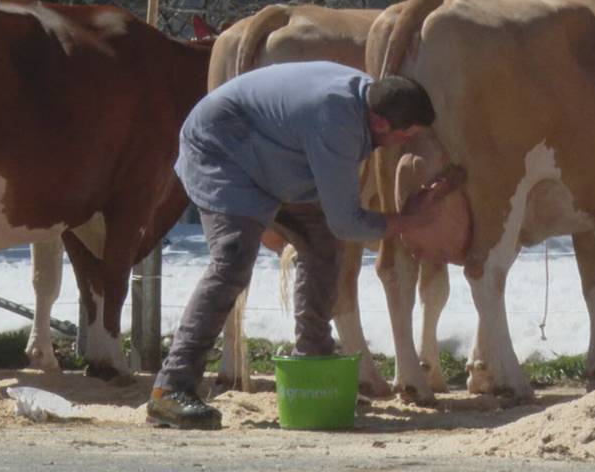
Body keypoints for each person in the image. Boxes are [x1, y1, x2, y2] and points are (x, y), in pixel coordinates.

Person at [146, 60, 443, 429]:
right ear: (382, 123)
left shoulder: (369, 99)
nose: (405, 144)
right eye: (405, 136)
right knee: (233, 258)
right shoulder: (338, 123)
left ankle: (313, 359)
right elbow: (348, 221)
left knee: (322, 240)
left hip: (271, 155)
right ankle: (170, 390)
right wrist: (408, 221)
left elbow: (334, 219)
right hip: (220, 148)